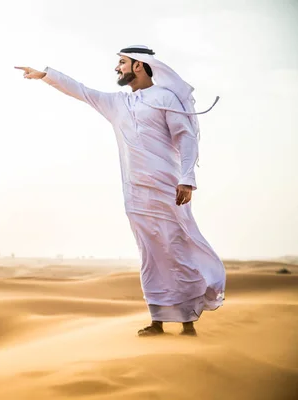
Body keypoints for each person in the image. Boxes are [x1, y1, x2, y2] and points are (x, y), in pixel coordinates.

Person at [15, 45, 226, 337]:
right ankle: (157, 320)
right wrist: (45, 75)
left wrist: (187, 179)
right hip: (136, 195)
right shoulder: (117, 103)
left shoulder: (165, 98)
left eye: (122, 63)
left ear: (139, 66)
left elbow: (185, 138)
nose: (117, 68)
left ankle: (188, 321)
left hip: (169, 190)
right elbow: (81, 90)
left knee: (176, 250)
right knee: (150, 255)